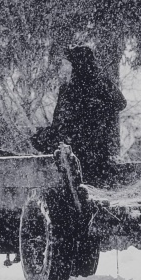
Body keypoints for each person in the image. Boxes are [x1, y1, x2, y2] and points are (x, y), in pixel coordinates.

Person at [31, 45, 127, 186]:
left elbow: (66, 125)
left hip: (86, 154)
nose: (63, 68)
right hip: (94, 153)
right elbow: (62, 124)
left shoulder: (79, 89)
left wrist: (48, 136)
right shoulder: (93, 85)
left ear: (77, 65)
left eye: (66, 64)